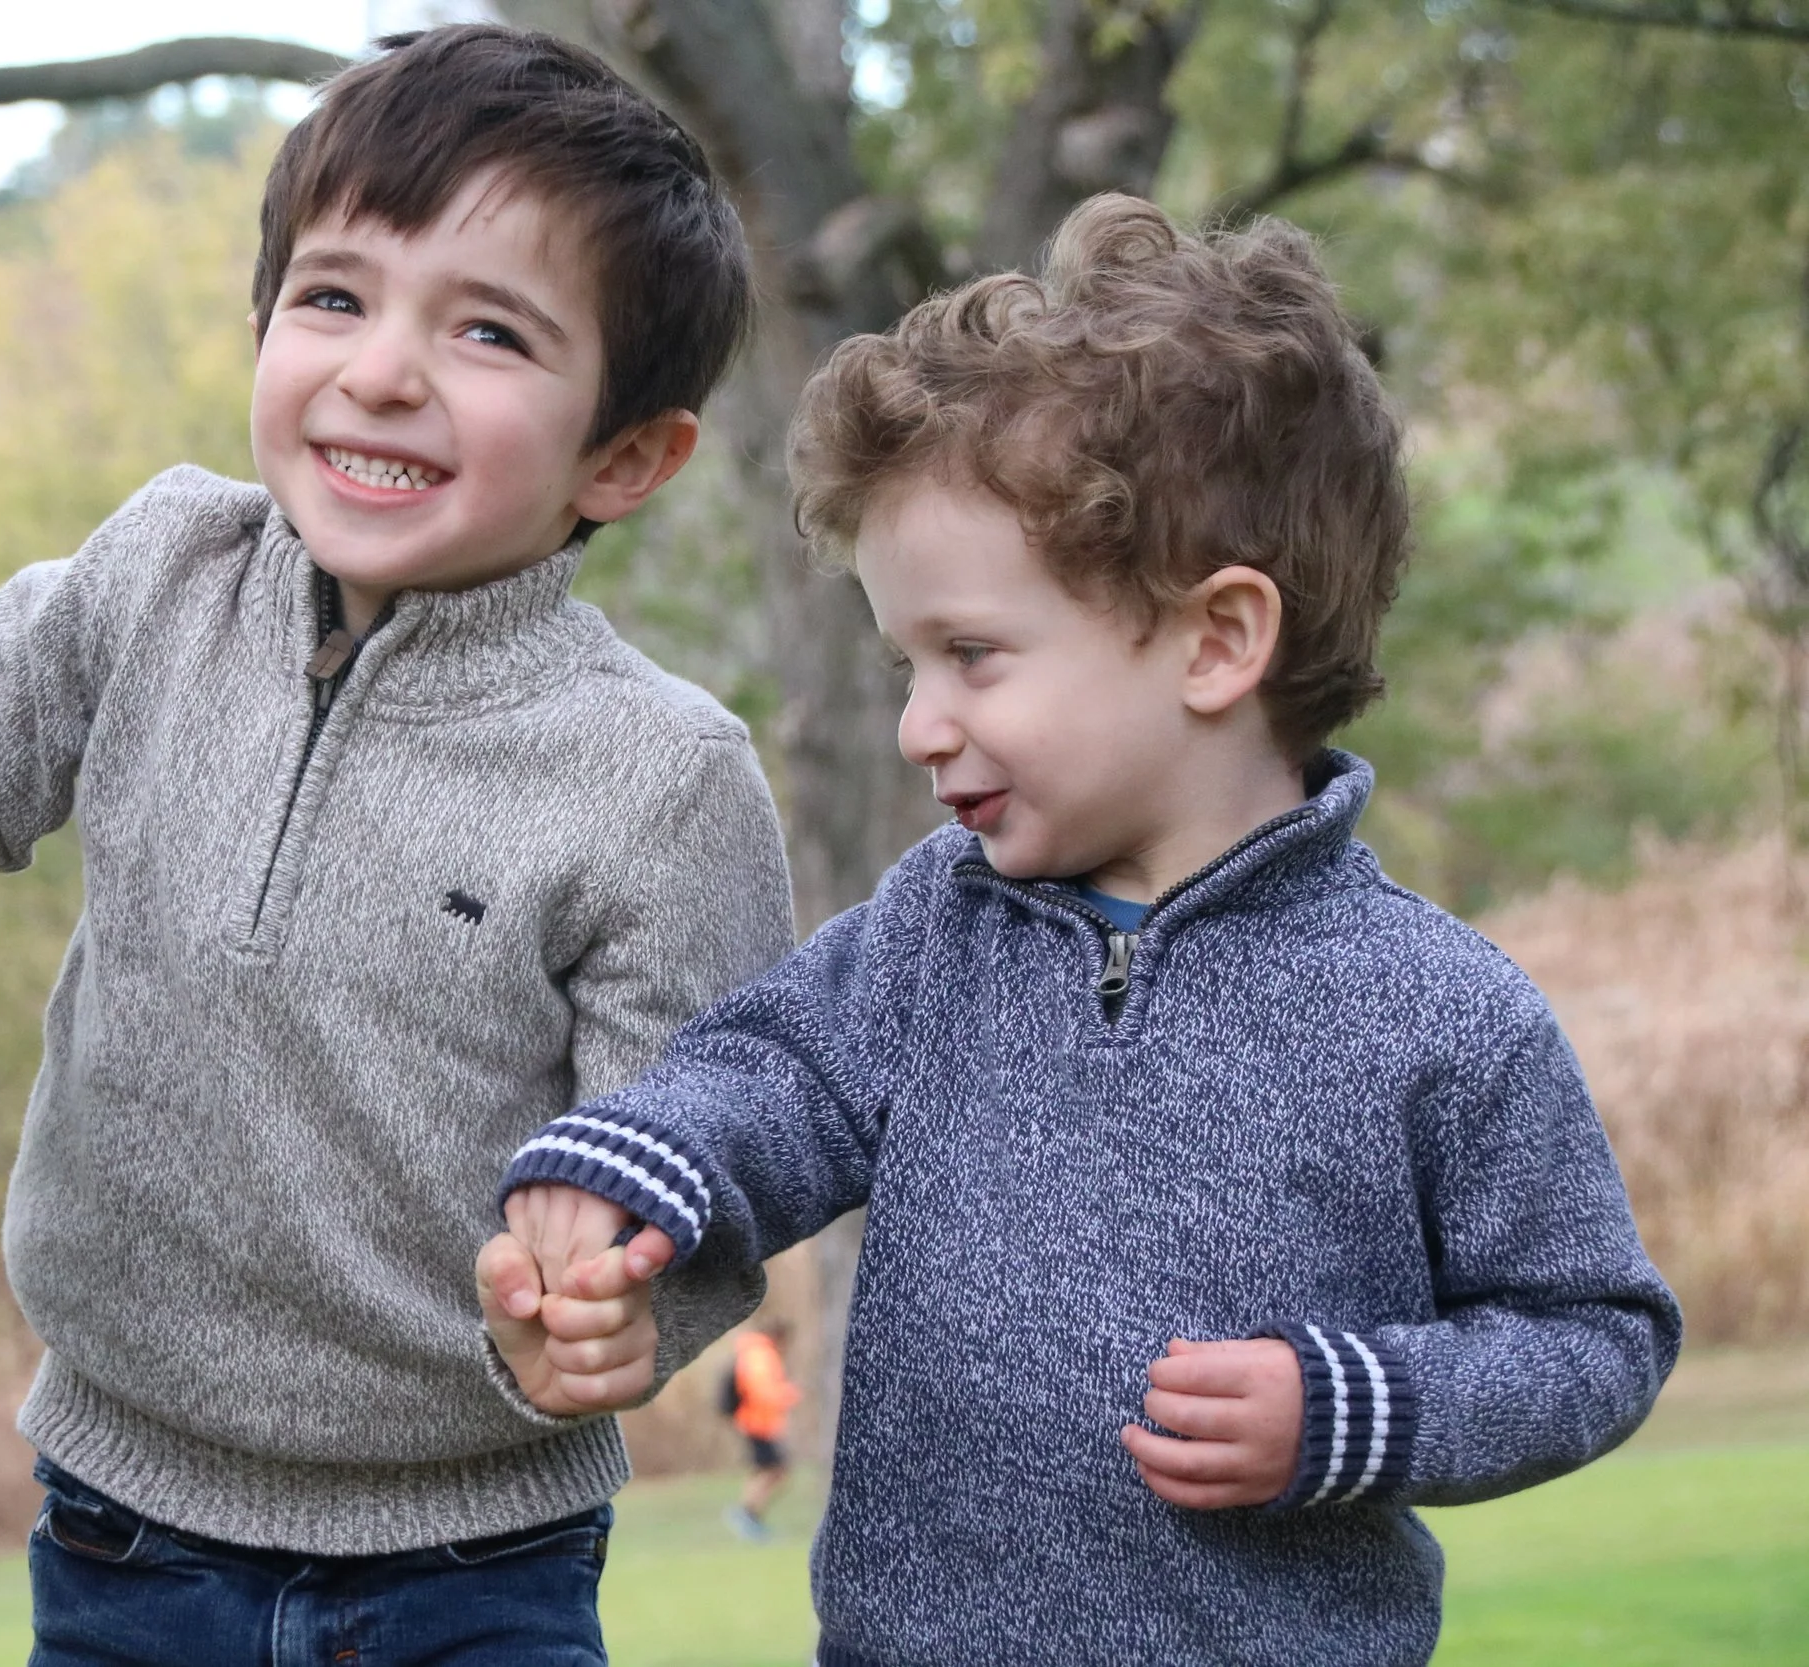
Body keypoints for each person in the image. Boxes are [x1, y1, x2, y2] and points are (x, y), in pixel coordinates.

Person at [477, 195, 1682, 1665]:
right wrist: (620, 1179)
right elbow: (770, 1079)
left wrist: (1353, 1404)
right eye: (908, 659)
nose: (923, 722)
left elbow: (1591, 1335)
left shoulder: (1437, 1010)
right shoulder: (941, 926)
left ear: (1217, 640)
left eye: (973, 654)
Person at [0, 25, 792, 1665]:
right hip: (120, 1521)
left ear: (627, 454)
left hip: (476, 1556)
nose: (382, 369)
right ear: (261, 325)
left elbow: (717, 1137)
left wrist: (622, 1303)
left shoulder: (660, 777)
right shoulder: (154, 579)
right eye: (333, 297)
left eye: (488, 331)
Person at [721, 1317, 802, 1541]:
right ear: (779, 1337)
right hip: (757, 1423)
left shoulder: (756, 1352)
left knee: (769, 1471)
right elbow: (762, 1391)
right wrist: (788, 1394)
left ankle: (750, 1516)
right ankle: (745, 1514)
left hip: (760, 1422)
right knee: (774, 1471)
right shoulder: (760, 1355)